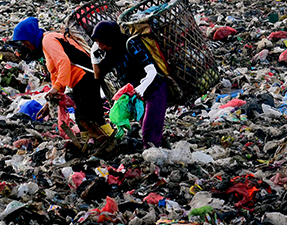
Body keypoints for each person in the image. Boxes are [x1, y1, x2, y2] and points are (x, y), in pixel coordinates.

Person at [10, 16, 114, 144]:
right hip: (80, 80)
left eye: (24, 41)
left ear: (30, 35)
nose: (24, 45)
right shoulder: (45, 44)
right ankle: (93, 143)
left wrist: (56, 88)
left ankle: (107, 142)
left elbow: (63, 62)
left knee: (90, 114)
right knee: (84, 115)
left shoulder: (48, 40)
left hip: (85, 76)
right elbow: (55, 73)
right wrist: (50, 102)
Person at [90, 20, 171, 149]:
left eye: (100, 41)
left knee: (149, 132)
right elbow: (98, 75)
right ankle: (161, 149)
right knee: (148, 126)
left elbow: (152, 70)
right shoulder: (112, 53)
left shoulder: (131, 44)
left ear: (109, 38)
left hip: (155, 89)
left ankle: (156, 162)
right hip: (138, 97)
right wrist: (93, 56)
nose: (99, 45)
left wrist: (141, 88)